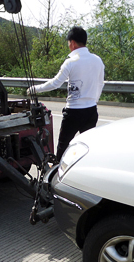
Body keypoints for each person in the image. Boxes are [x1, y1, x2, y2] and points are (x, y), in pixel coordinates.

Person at [27, 26, 105, 161]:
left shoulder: (71, 62)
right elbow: (100, 84)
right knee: (88, 146)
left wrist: (35, 89)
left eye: (68, 43)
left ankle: (57, 174)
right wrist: (93, 101)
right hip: (91, 111)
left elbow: (55, 83)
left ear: (73, 43)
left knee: (63, 147)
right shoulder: (97, 60)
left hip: (73, 112)